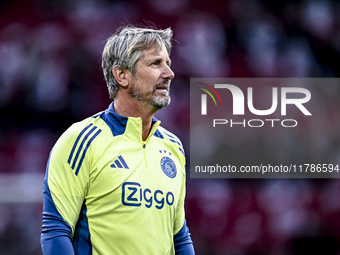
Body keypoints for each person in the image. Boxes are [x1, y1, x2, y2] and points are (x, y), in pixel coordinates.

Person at [41, 25, 195, 255]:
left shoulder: (173, 147)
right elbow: (56, 229)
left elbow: (179, 238)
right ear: (121, 75)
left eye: (168, 64)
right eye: (155, 64)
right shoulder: (81, 140)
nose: (169, 73)